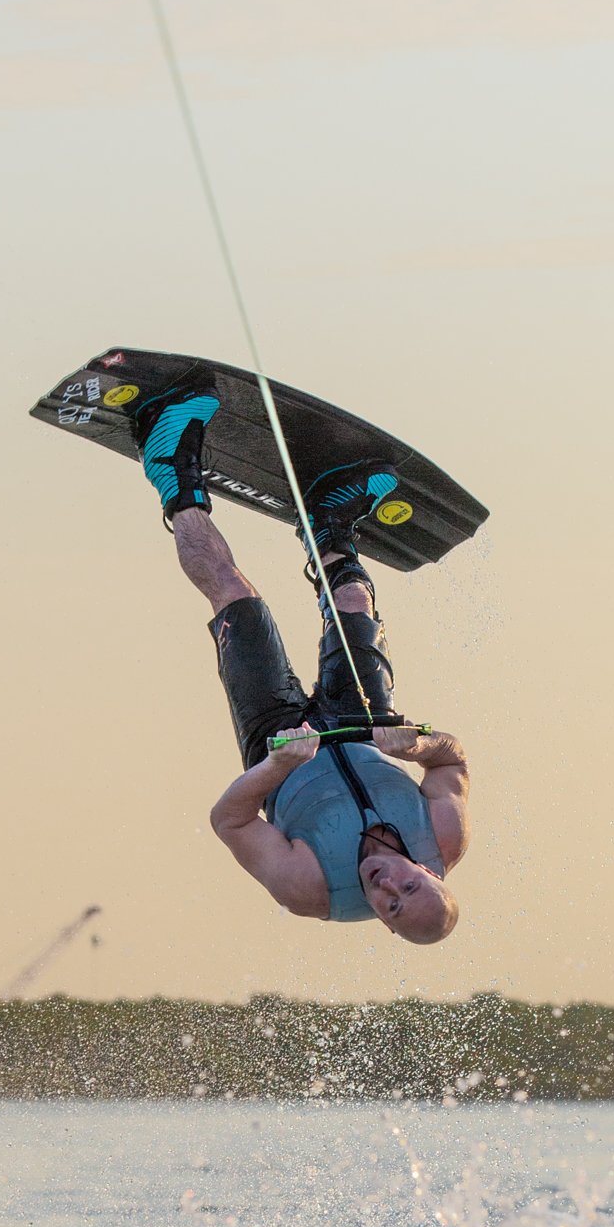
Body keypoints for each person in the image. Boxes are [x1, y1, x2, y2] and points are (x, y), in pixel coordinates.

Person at [133, 374, 470, 941]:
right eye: (408, 886)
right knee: (355, 602)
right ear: (429, 872)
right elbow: (453, 761)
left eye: (389, 905)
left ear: (383, 922)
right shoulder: (444, 836)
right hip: (362, 725)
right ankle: (329, 525)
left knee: (236, 596)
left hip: (278, 740)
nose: (387, 885)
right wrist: (415, 744)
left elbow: (228, 821)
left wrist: (279, 766)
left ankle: (169, 466)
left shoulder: (309, 890)